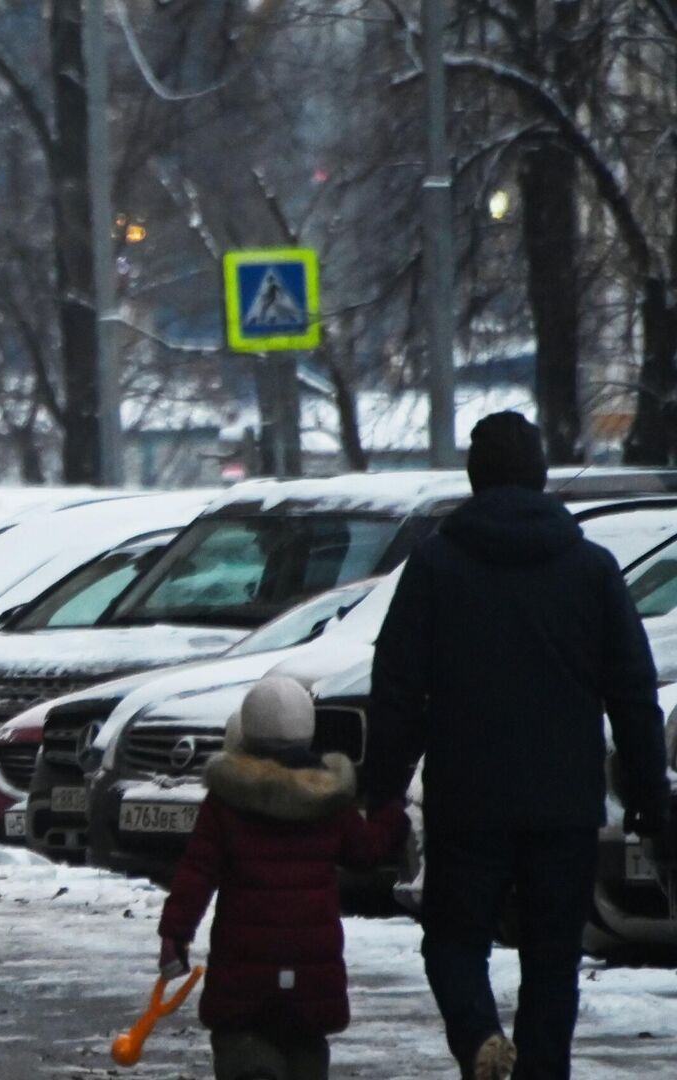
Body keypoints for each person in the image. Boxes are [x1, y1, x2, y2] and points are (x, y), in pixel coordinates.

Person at [368, 411, 670, 1080]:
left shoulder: (435, 566)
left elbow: (395, 688)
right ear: (539, 477)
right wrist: (649, 795)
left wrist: (381, 788)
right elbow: (632, 692)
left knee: (452, 940)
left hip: (467, 801)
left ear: (475, 479)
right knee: (552, 959)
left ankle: (478, 1036)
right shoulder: (591, 569)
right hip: (564, 805)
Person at [156, 675, 408, 1080]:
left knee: (241, 1041)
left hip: (244, 968)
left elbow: (196, 872)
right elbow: (367, 852)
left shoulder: (227, 799)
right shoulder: (328, 798)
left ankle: (252, 1066)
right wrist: (393, 811)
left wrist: (175, 935)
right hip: (311, 967)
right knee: (306, 1046)